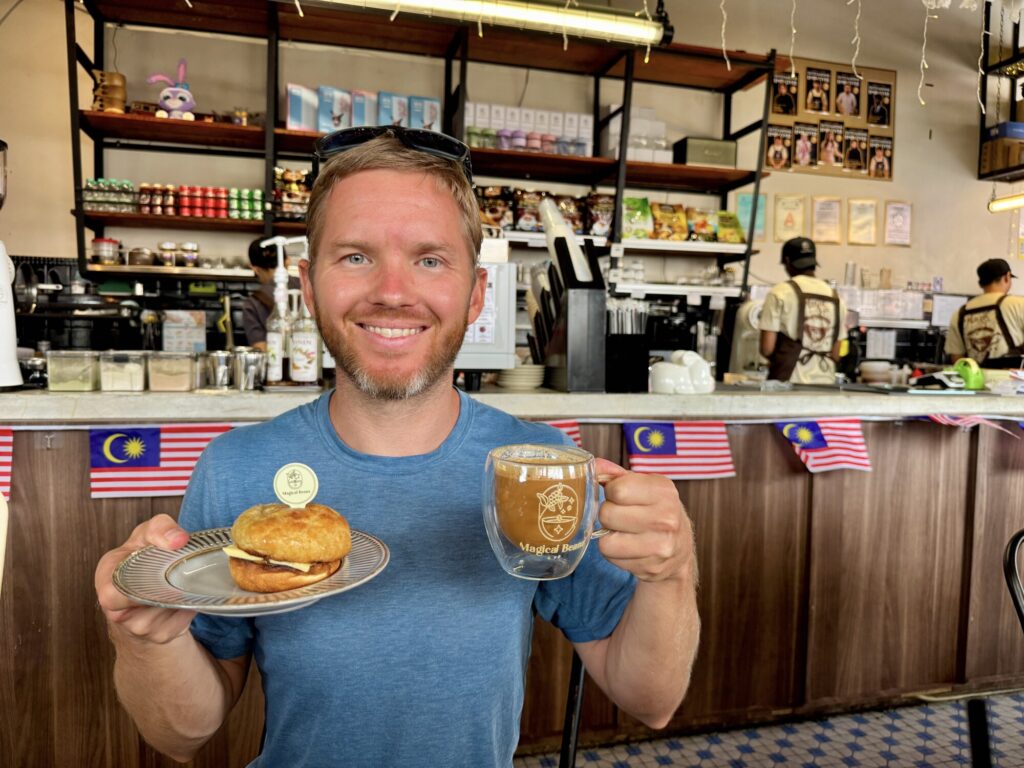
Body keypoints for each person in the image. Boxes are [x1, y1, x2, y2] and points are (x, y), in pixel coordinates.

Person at [94, 127, 700, 767]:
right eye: (355, 256)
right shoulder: (236, 468)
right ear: (310, 280)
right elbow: (182, 733)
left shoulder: (540, 465)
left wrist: (672, 571)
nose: (391, 290)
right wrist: (143, 638)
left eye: (430, 259)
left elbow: (650, 698)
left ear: (475, 295)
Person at [759, 237, 847, 384]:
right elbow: (836, 354)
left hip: (788, 381)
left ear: (787, 261)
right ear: (813, 262)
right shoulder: (837, 298)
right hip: (826, 383)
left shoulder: (779, 293)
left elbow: (767, 348)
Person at [945, 258, 1024, 365]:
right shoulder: (1019, 304)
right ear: (1007, 277)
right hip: (1013, 380)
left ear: (981, 284)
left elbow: (956, 357)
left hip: (976, 380)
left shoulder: (960, 313)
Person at [240, 237, 301, 350]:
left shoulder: (252, 304)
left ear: (255, 269)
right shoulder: (308, 288)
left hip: (277, 366)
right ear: (288, 261)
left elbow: (261, 347)